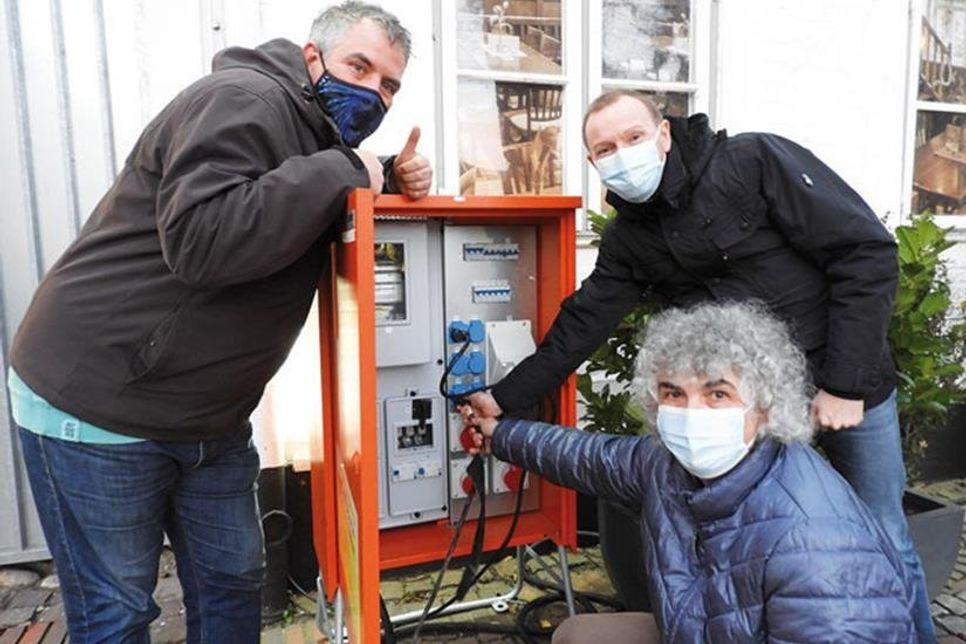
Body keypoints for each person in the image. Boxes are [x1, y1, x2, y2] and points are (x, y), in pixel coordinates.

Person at [6, 2, 430, 642]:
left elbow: (285, 193)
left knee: (232, 584)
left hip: (212, 418)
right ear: (311, 58)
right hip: (98, 402)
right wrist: (349, 169)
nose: (372, 92)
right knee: (118, 611)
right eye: (358, 67)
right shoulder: (242, 98)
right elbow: (205, 241)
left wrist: (388, 174)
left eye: (388, 84)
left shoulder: (322, 139)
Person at [464, 90, 936, 642]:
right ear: (595, 165)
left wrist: (843, 384)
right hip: (739, 414)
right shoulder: (629, 238)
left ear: (663, 134)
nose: (622, 153)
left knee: (880, 534)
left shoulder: (752, 162)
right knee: (755, 544)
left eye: (633, 138)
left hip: (844, 386)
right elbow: (584, 321)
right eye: (605, 148)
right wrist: (503, 398)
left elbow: (865, 252)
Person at [468, 303, 916, 642]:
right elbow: (588, 456)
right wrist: (500, 434)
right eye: (673, 393)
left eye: (717, 394)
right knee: (576, 635)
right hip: (699, 628)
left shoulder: (815, 543)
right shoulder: (669, 465)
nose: (691, 412)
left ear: (765, 407)